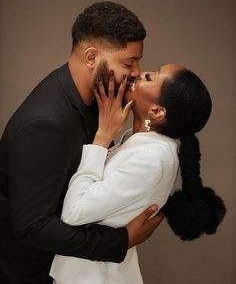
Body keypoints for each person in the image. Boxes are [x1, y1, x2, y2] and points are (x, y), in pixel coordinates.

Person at [0, 2, 165, 284]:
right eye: (128, 63)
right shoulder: (46, 124)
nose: (137, 72)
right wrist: (119, 241)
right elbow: (32, 227)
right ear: (91, 57)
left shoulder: (98, 102)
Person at [50, 64, 226, 283]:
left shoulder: (150, 159)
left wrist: (102, 138)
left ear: (157, 111)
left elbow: (73, 213)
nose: (138, 74)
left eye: (150, 77)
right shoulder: (143, 142)